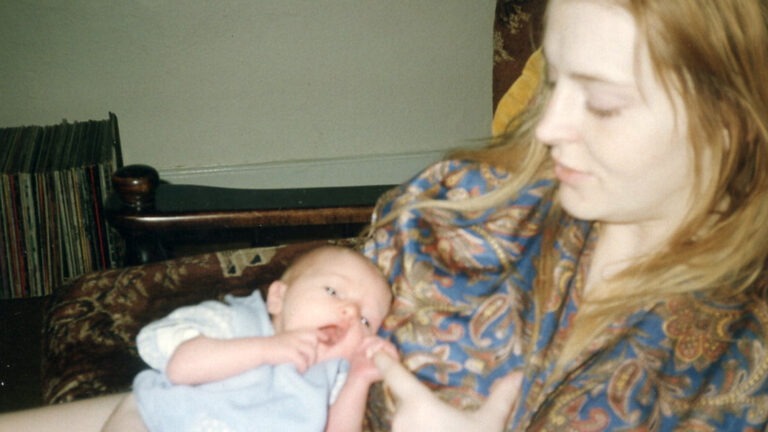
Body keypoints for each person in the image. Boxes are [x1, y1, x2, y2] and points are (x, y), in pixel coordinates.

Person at [362, 0, 768, 430]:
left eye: (602, 103)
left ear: (729, 120)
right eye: (553, 82)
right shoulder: (450, 210)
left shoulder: (746, 350)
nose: (547, 127)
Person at [0, 245, 394, 432]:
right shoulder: (232, 322)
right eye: (333, 292)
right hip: (158, 423)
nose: (348, 312)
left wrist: (358, 379)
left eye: (366, 320)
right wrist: (266, 349)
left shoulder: (332, 374)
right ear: (278, 296)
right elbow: (181, 366)